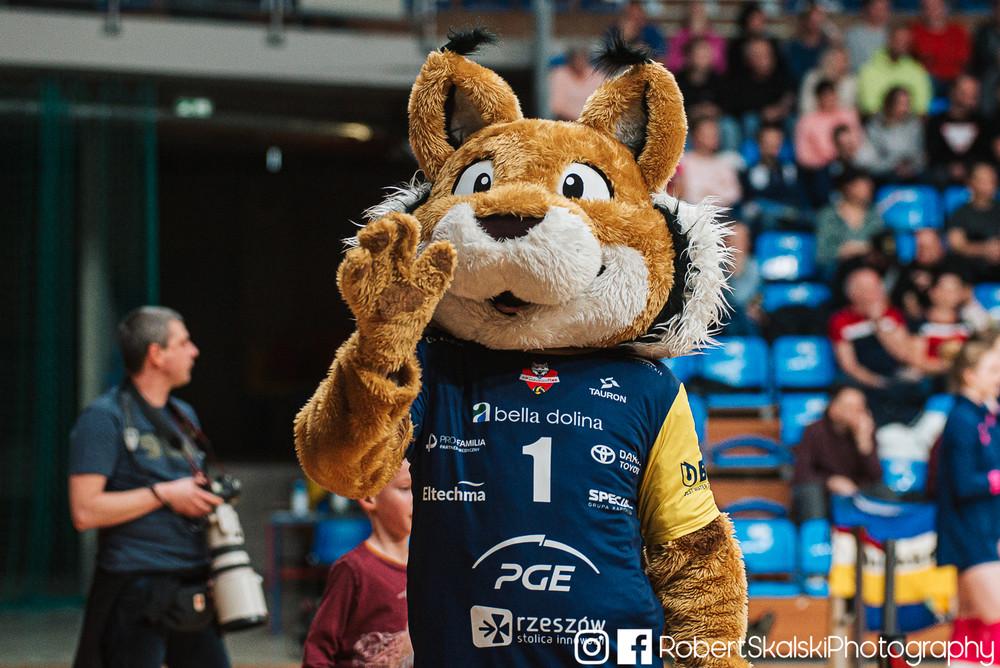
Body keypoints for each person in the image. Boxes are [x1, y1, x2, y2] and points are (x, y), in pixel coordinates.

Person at [70, 307, 230, 668]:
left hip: (191, 581)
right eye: (184, 342)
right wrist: (165, 494)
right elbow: (84, 511)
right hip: (134, 585)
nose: (194, 351)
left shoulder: (184, 416)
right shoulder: (103, 417)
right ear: (156, 354)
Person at [302, 461, 413, 668]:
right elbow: (319, 649)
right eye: (405, 488)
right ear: (370, 497)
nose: (417, 499)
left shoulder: (427, 567)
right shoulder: (352, 569)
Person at [935, 337, 1000, 667]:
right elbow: (963, 483)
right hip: (969, 534)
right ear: (970, 375)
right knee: (994, 618)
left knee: (970, 621)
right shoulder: (962, 419)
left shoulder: (984, 417)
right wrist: (996, 479)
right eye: (992, 370)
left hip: (983, 530)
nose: (999, 377)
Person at [828, 267, 926, 426]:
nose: (875, 293)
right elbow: (849, 366)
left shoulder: (892, 315)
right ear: (853, 293)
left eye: (877, 288)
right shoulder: (841, 320)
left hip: (896, 377)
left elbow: (903, 354)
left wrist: (878, 323)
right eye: (867, 289)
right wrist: (879, 382)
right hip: (865, 380)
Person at [792, 384, 883, 521]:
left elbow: (876, 477)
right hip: (824, 492)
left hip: (856, 491)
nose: (855, 413)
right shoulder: (814, 431)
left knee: (883, 492)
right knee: (810, 491)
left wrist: (864, 443)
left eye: (860, 408)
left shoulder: (866, 432)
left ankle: (884, 533)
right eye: (849, 407)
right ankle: (817, 532)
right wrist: (829, 481)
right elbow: (802, 472)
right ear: (833, 408)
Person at [740, 122, 809, 230]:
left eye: (776, 144)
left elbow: (800, 199)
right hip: (764, 220)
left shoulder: (791, 170)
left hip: (791, 217)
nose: (772, 149)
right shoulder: (749, 173)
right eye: (768, 143)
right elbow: (749, 205)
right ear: (759, 145)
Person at [926, 75, 992, 187]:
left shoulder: (983, 123)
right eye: (965, 92)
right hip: (943, 173)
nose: (971, 97)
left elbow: (985, 154)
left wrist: (967, 166)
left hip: (975, 170)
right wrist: (951, 167)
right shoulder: (936, 122)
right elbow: (932, 153)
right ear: (953, 92)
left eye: (974, 93)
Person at [816, 170, 884, 277]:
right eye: (863, 186)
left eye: (869, 186)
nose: (868, 190)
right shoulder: (828, 216)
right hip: (836, 272)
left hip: (870, 271)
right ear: (848, 187)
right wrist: (845, 251)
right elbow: (822, 255)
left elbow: (884, 248)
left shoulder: (876, 215)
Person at [858, 24, 933, 116]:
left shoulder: (917, 70)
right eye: (899, 40)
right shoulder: (869, 69)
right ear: (889, 40)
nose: (902, 45)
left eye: (906, 42)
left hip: (909, 121)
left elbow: (921, 107)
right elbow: (869, 106)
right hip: (879, 121)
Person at [858, 86, 926, 182]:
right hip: (884, 173)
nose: (906, 109)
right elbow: (872, 159)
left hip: (913, 172)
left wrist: (910, 167)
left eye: (908, 104)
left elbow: (919, 154)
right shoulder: (874, 126)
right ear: (890, 104)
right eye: (901, 104)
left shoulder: (914, 124)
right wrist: (894, 165)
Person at [946, 162, 1000, 282]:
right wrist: (985, 249)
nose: (989, 185)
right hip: (971, 271)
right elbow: (957, 245)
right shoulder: (960, 213)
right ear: (971, 183)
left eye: (992, 180)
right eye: (983, 180)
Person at [795, 79, 864, 172]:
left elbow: (859, 142)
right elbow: (804, 156)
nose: (829, 99)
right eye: (825, 96)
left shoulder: (849, 115)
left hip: (852, 164)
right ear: (818, 98)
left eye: (831, 94)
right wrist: (826, 162)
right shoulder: (806, 122)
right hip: (821, 170)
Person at [678, 115, 742, 206]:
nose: (714, 137)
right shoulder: (684, 161)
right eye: (708, 134)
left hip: (722, 212)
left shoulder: (725, 161)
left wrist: (708, 194)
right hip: (692, 211)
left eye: (715, 134)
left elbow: (734, 194)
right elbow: (687, 194)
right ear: (695, 136)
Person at [911, 0, 970, 88]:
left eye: (936, 7)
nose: (932, 11)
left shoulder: (958, 32)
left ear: (945, 9)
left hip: (955, 80)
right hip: (928, 80)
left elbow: (965, 61)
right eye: (928, 7)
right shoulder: (915, 33)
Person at [784, 2, 839, 86]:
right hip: (796, 87)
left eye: (819, 20)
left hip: (820, 89)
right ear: (804, 20)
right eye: (811, 19)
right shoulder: (792, 46)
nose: (815, 23)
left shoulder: (827, 46)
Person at [664, 1, 725, 74]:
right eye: (694, 7)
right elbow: (672, 64)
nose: (697, 11)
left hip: (711, 77)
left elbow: (720, 66)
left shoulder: (716, 39)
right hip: (684, 77)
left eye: (700, 7)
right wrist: (691, 60)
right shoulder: (678, 38)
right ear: (688, 10)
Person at [675, 37, 727, 119]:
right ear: (689, 57)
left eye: (706, 55)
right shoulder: (676, 81)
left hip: (714, 120)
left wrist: (715, 110)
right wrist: (693, 111)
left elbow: (726, 104)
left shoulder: (719, 80)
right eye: (700, 56)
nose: (704, 59)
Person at [548, 45, 604, 122]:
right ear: (571, 60)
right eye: (577, 59)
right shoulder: (560, 74)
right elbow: (557, 108)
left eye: (583, 59)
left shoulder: (596, 74)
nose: (580, 62)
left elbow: (603, 102)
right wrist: (579, 121)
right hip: (568, 123)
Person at [799, 46, 858, 116]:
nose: (840, 65)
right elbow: (806, 108)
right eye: (835, 60)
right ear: (826, 61)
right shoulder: (812, 78)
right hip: (815, 119)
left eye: (844, 61)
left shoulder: (851, 82)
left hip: (841, 120)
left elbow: (849, 109)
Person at [845, 0, 891, 71]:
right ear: (867, 9)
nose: (881, 13)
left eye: (885, 8)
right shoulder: (853, 35)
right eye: (876, 9)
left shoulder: (893, 34)